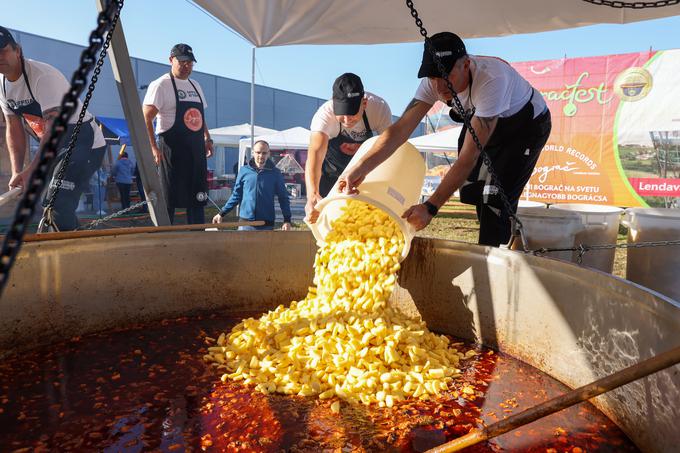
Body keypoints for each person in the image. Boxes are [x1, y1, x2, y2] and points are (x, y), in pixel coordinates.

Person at [338, 32, 552, 247]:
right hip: (485, 121)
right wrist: (360, 168)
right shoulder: (433, 84)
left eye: (446, 77)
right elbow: (400, 130)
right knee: (475, 192)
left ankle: (494, 262)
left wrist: (431, 207)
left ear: (466, 64)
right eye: (433, 78)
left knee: (495, 200)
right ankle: (497, 243)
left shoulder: (492, 80)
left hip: (524, 128)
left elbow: (468, 157)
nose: (439, 87)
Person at [0, 26, 107, 231]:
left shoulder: (42, 76)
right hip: (55, 148)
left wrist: (32, 170)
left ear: (18, 50)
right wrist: (17, 171)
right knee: (51, 204)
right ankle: (82, 244)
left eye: (2, 50)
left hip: (82, 140)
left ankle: (72, 258)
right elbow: (13, 128)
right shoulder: (2, 85)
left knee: (57, 203)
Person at [304, 73, 392, 223]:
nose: (346, 120)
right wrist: (312, 194)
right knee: (330, 220)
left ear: (364, 103)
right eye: (341, 114)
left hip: (365, 173)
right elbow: (315, 156)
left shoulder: (379, 108)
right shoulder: (323, 116)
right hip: (332, 173)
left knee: (365, 220)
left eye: (352, 113)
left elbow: (389, 148)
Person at [143, 43, 213, 225]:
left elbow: (200, 116)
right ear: (171, 60)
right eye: (181, 61)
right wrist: (152, 147)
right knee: (168, 198)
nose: (186, 65)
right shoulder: (160, 85)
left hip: (196, 149)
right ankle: (164, 239)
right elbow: (145, 118)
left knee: (197, 197)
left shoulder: (195, 85)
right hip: (171, 149)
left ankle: (197, 237)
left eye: (190, 62)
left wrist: (207, 138)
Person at [212, 140, 292, 231]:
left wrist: (287, 220)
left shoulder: (275, 173)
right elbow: (236, 195)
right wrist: (221, 213)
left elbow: (283, 198)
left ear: (269, 154)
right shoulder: (243, 171)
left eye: (264, 153)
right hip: (245, 223)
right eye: (258, 152)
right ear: (253, 153)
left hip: (266, 224)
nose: (261, 156)